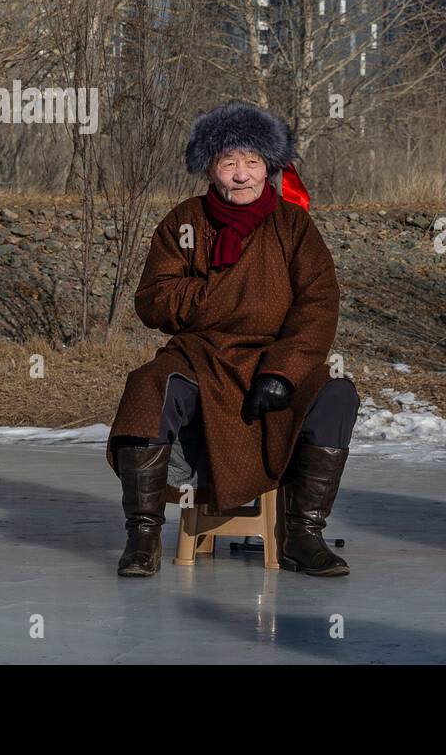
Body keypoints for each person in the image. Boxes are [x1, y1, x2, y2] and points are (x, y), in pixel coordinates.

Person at [106, 102, 359, 577]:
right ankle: (142, 535)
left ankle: (304, 535)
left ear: (269, 166)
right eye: (229, 163)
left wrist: (283, 371)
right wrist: (224, 295)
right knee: (148, 386)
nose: (242, 175)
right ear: (210, 168)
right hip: (201, 355)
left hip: (275, 356)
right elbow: (153, 300)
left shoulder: (293, 226)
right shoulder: (184, 223)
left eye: (252, 162)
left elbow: (318, 306)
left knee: (337, 394)